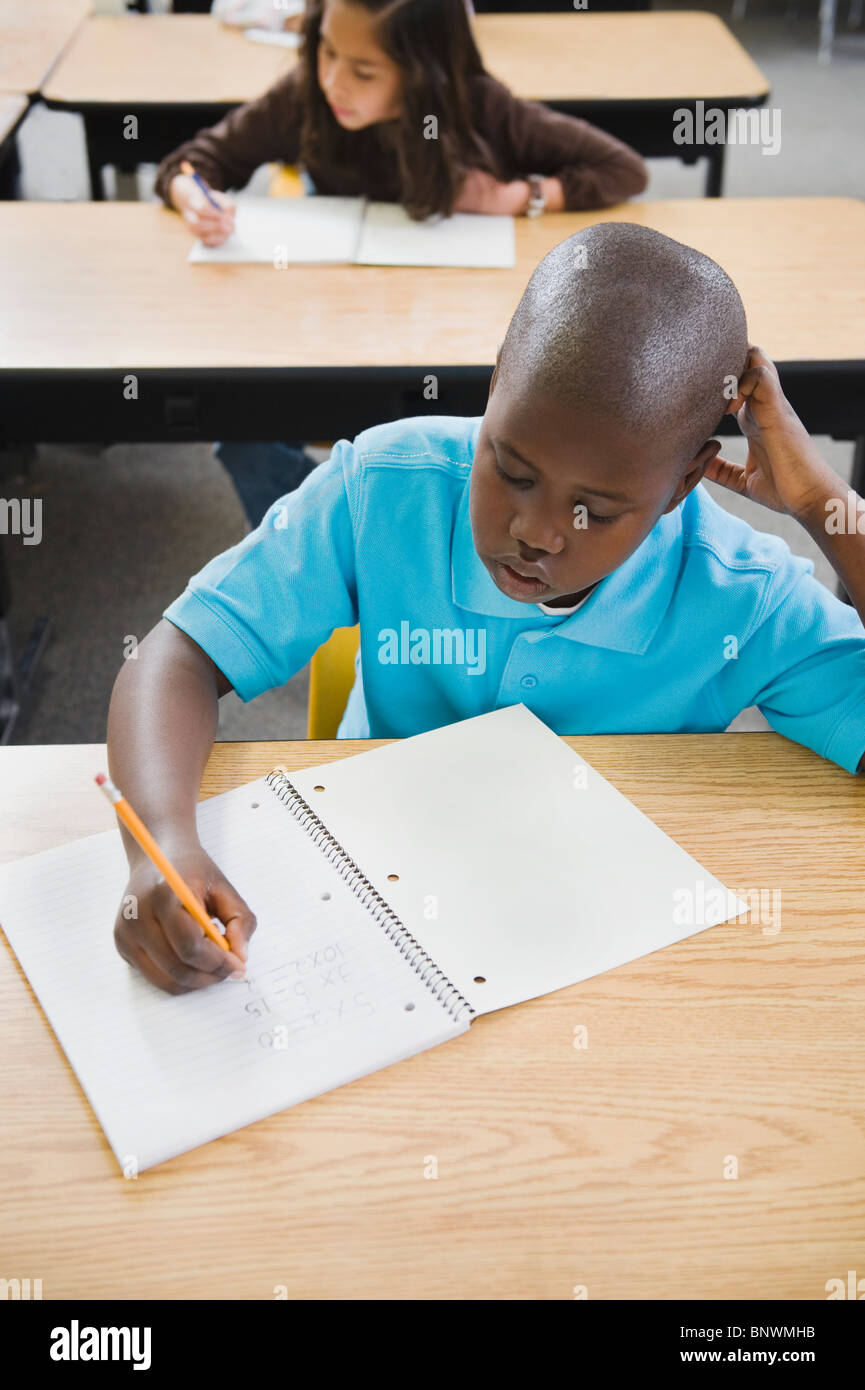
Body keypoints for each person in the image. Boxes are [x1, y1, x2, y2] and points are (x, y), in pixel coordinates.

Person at [106, 222, 865, 993]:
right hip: (369, 888)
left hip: (600, 945)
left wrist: (825, 504)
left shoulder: (742, 596)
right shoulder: (384, 486)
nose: (534, 533)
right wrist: (161, 842)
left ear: (684, 482)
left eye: (595, 513)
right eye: (510, 468)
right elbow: (176, 656)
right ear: (497, 383)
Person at [156, 0, 649, 525]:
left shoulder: (477, 107)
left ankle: (391, 539)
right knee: (241, 436)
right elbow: (192, 164)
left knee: (457, 456)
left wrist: (518, 196)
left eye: (363, 71)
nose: (332, 81)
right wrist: (192, 195)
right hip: (330, 324)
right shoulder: (306, 98)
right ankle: (329, 535)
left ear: (423, 74)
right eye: (325, 50)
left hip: (443, 336)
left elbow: (622, 169)